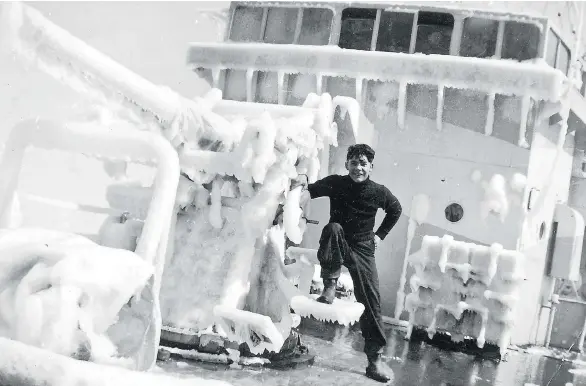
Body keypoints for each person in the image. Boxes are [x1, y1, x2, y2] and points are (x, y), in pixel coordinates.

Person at [293, 144, 402, 383]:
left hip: (363, 247)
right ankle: (329, 285)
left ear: (371, 167)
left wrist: (379, 235)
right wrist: (298, 184)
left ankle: (375, 360)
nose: (358, 168)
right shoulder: (337, 183)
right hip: (339, 241)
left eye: (363, 164)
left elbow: (396, 210)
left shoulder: (379, 191)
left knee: (371, 302)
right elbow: (309, 190)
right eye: (354, 163)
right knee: (332, 228)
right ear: (347, 165)